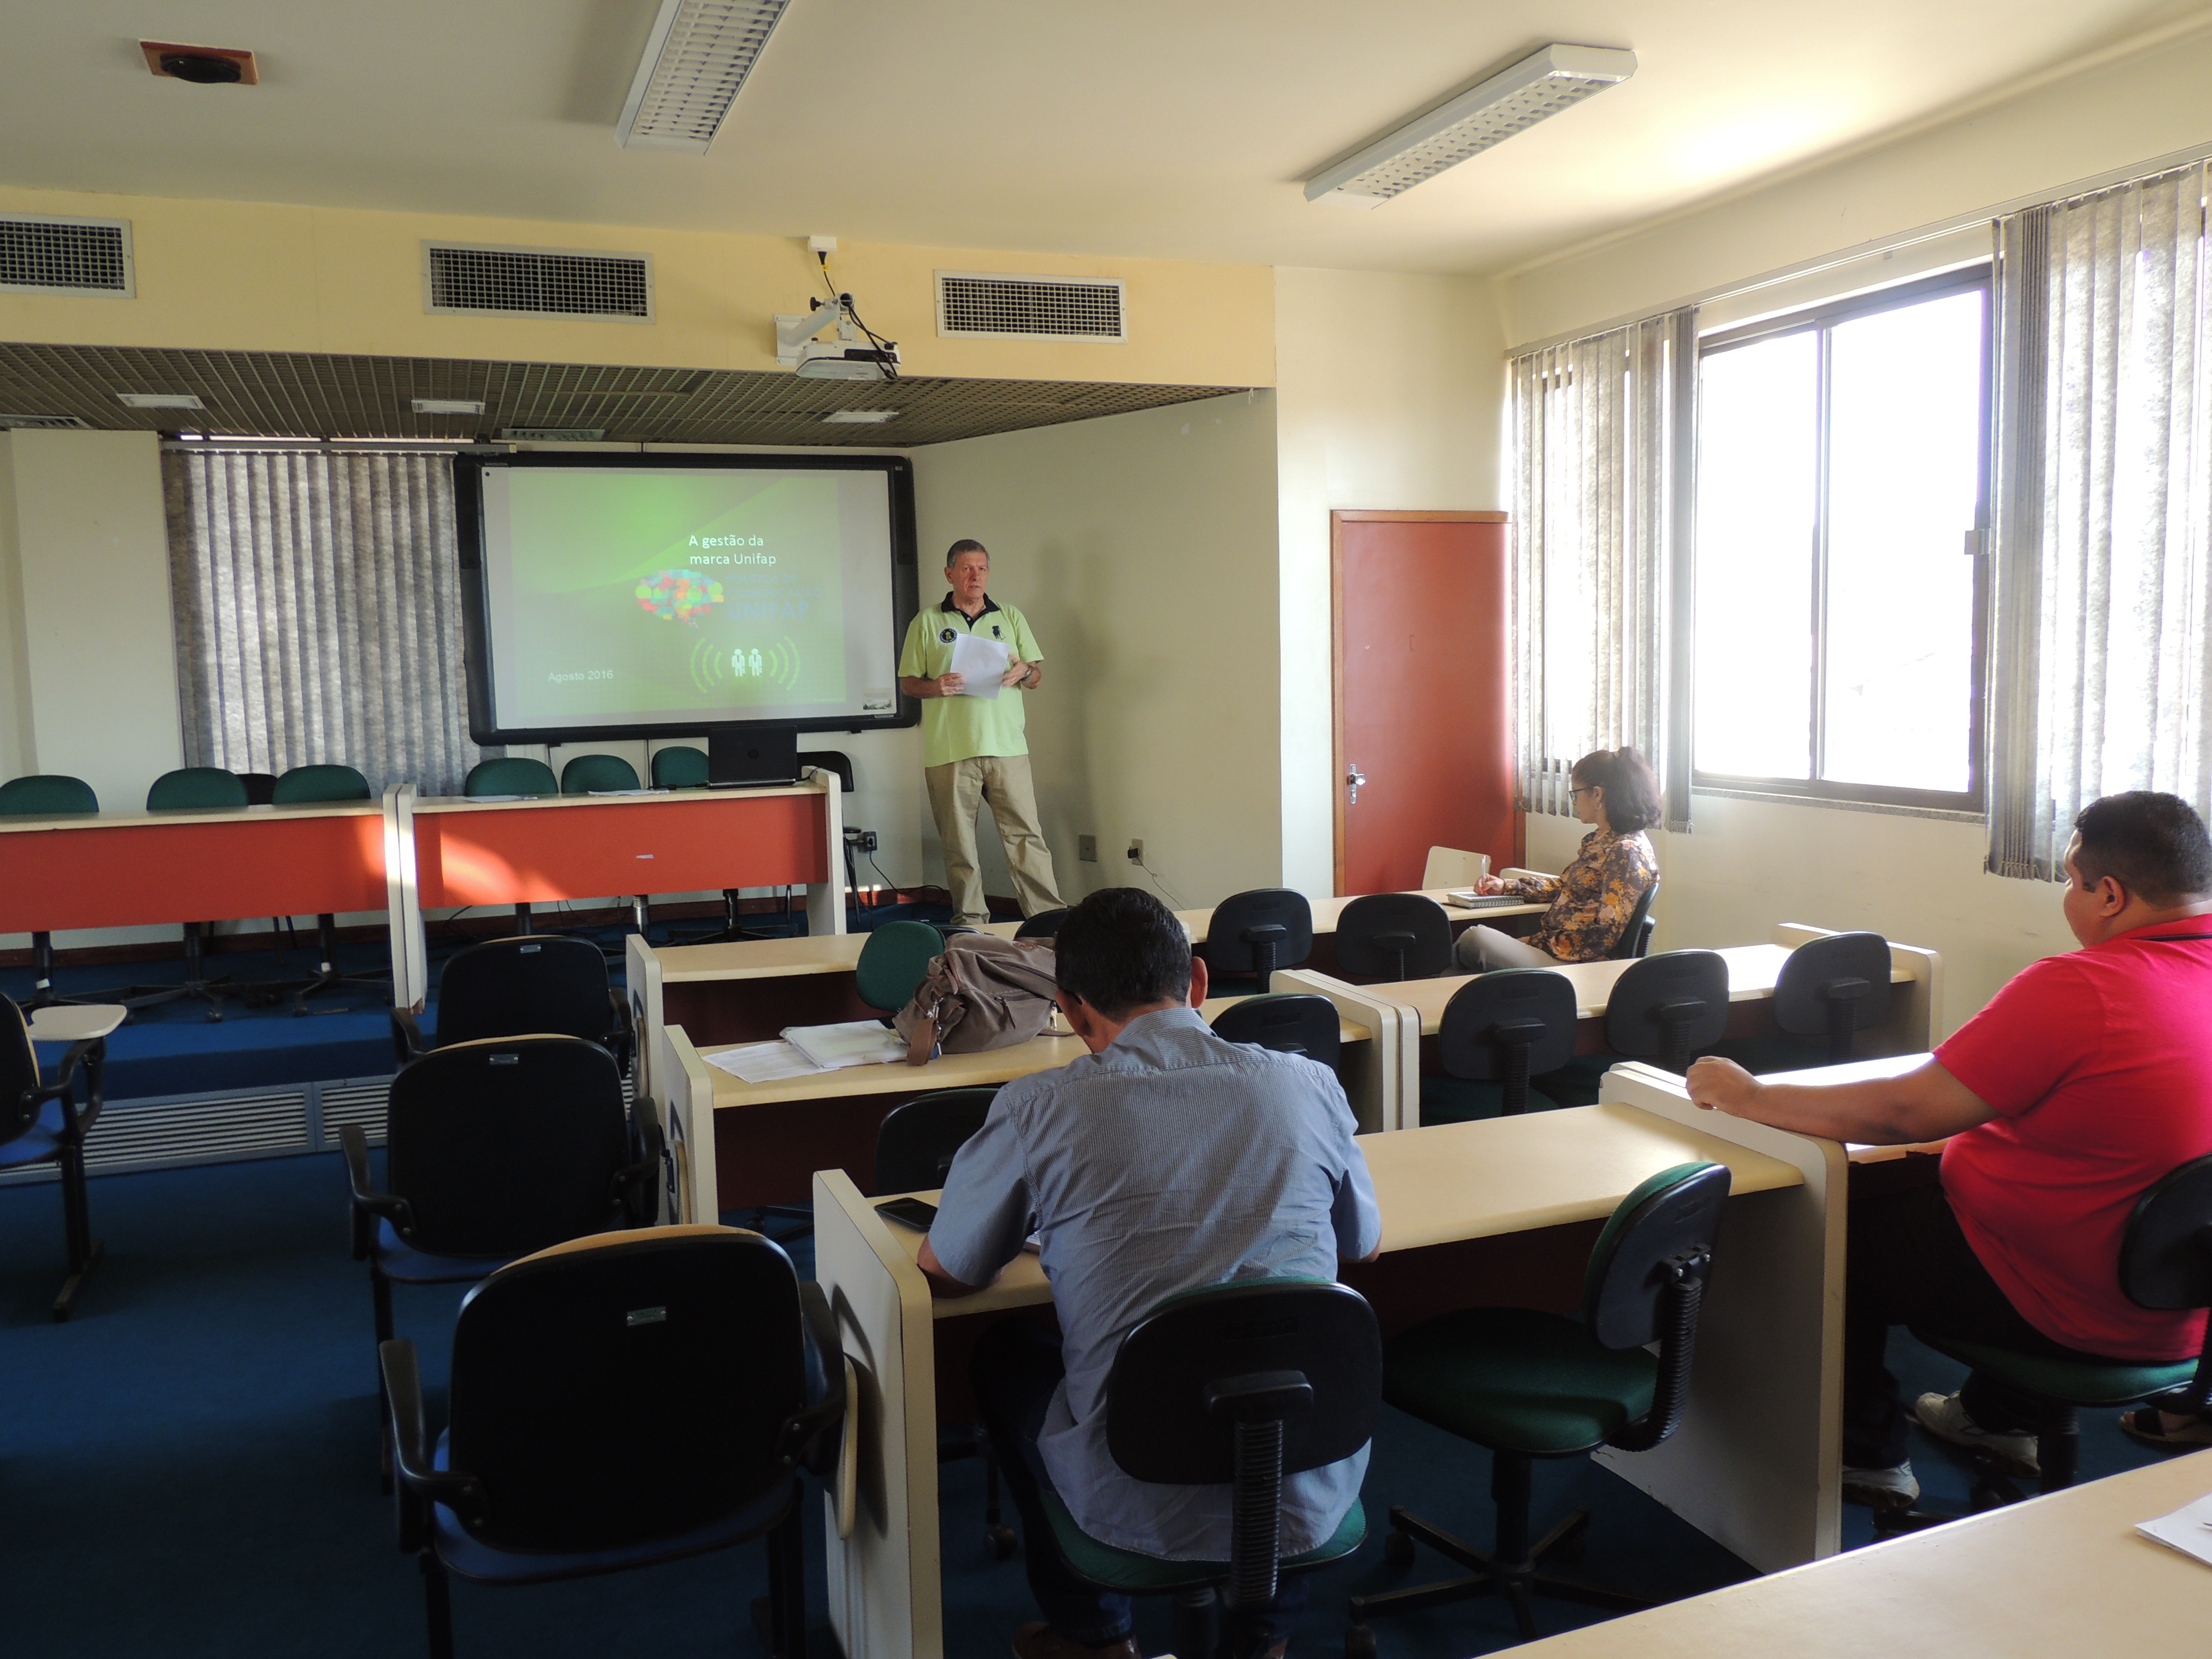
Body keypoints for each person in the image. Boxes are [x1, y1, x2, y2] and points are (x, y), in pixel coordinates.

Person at [1685, 790, 2212, 1507]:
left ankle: (1867, 1456)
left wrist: (1750, 1096)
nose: (2067, 896)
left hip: (2069, 1301)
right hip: (2184, 1306)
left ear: (2111, 895)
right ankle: (1996, 1417)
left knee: (1831, 1237)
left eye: (2070, 879)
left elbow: (1905, 1113)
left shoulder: (2086, 987)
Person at [919, 887, 1382, 1659]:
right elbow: (1362, 1244)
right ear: (1199, 981)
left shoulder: (1039, 1107)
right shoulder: (1309, 1084)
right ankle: (1264, 1638)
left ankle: (1094, 1634)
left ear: (1071, 1011)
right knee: (1275, 1349)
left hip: (1135, 1487)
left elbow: (950, 1270)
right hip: (1307, 1476)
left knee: (1005, 1355)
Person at [897, 539, 1065, 927]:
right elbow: (908, 683)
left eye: (982, 569)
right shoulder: (927, 621)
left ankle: (1049, 921)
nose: (976, 576)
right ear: (950, 574)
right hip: (950, 751)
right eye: (967, 569)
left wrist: (1025, 670)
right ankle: (971, 922)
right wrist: (935, 686)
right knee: (959, 845)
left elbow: (1036, 677)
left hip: (1007, 746)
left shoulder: (1009, 616)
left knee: (1027, 837)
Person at [1455, 746, 1660, 971]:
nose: (1574, 802)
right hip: (1558, 951)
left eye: (1576, 793)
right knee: (1466, 953)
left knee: (1474, 939)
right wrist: (1507, 886)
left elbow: (1605, 934)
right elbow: (1564, 886)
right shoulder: (1602, 841)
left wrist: (1543, 944)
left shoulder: (1625, 853)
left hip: (1576, 965)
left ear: (1597, 794)